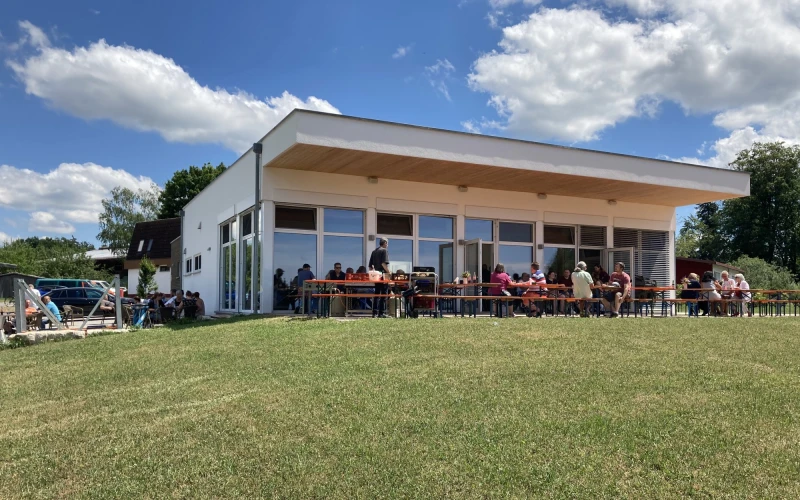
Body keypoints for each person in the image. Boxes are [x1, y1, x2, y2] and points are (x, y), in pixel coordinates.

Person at [369, 238, 390, 318]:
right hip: (383, 275)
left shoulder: (374, 252)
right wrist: (389, 272)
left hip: (376, 276)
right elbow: (383, 264)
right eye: (387, 243)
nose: (387, 245)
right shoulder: (384, 251)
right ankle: (381, 313)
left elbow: (370, 267)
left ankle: (374, 313)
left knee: (377, 294)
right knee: (384, 294)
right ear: (384, 243)